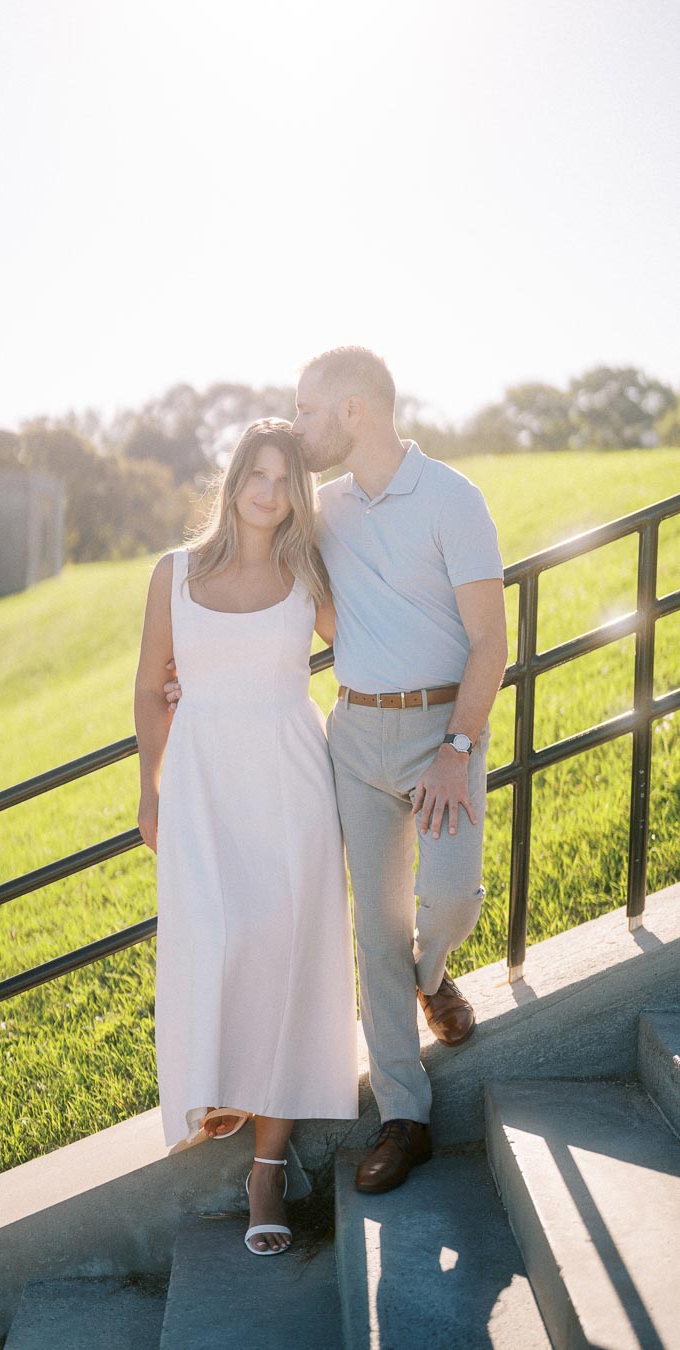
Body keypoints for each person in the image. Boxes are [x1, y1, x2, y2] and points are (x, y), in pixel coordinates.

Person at [134, 418, 359, 1255]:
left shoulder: (308, 570)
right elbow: (151, 688)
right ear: (231, 482)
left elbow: (365, 641)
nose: (267, 492)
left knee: (285, 946)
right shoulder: (175, 574)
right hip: (199, 783)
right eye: (255, 475)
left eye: (283, 481)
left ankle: (268, 1165)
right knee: (216, 936)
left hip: (292, 778)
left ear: (298, 494)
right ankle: (218, 1084)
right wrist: (149, 788)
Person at [291, 346, 508, 1194]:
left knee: (452, 897)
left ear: (353, 409)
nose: (299, 425)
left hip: (442, 734)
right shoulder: (328, 510)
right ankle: (403, 1117)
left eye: (307, 410)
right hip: (356, 734)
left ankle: (433, 973)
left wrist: (456, 750)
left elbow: (492, 641)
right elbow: (324, 617)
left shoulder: (453, 498)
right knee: (372, 931)